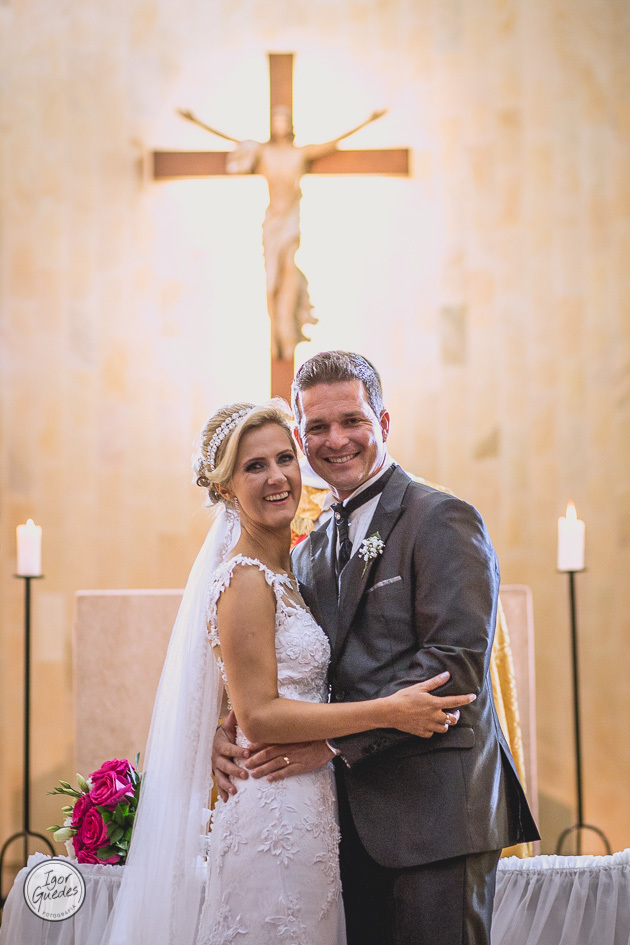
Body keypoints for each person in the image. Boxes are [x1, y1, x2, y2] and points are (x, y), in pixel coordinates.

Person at [101, 399, 475, 945]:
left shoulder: (298, 564)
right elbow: (262, 713)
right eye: (255, 466)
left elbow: (262, 692)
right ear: (226, 486)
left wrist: (227, 719)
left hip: (316, 803)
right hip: (273, 806)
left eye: (284, 458)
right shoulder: (245, 577)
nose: (277, 477)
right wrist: (390, 711)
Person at [213, 352, 540, 945]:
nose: (336, 440)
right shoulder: (307, 551)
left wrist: (332, 742)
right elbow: (300, 668)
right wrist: (228, 724)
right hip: (343, 828)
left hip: (437, 820)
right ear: (301, 437)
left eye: (352, 421)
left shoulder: (441, 519)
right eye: (317, 427)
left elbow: (452, 672)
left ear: (383, 424)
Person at [178, 106, 385, 361]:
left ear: (290, 125)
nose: (280, 124)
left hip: (290, 222)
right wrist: (196, 121)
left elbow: (334, 144)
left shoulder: (301, 154)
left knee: (288, 269)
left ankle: (288, 332)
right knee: (271, 283)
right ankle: (276, 335)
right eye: (276, 120)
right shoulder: (263, 153)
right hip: (273, 222)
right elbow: (230, 141)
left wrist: (367, 121)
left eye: (284, 120)